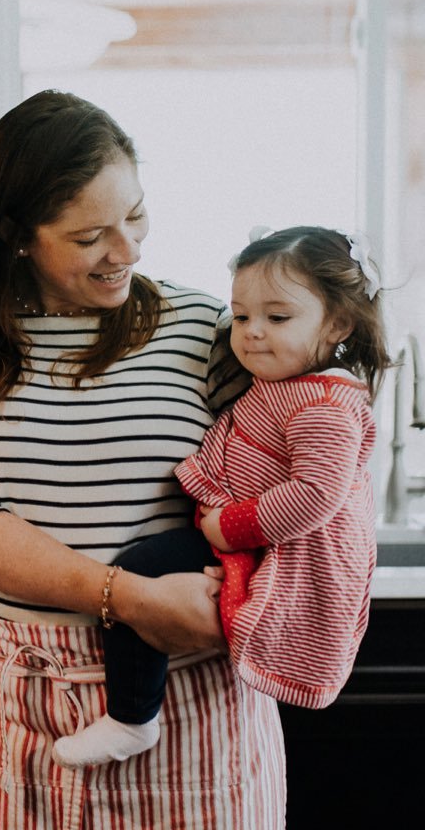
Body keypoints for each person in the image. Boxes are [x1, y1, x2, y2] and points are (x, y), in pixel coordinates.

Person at [0, 90, 288, 830]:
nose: (126, 251)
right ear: (15, 234)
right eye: (88, 237)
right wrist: (128, 596)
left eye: (136, 218)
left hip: (190, 706)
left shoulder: (203, 329)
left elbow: (291, 470)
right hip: (25, 715)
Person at [52, 225, 388, 769]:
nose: (252, 332)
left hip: (269, 548)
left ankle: (131, 719)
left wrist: (225, 528)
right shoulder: (285, 384)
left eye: (277, 318)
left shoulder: (326, 404)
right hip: (250, 538)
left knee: (139, 570)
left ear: (339, 323)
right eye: (242, 315)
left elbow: (316, 493)